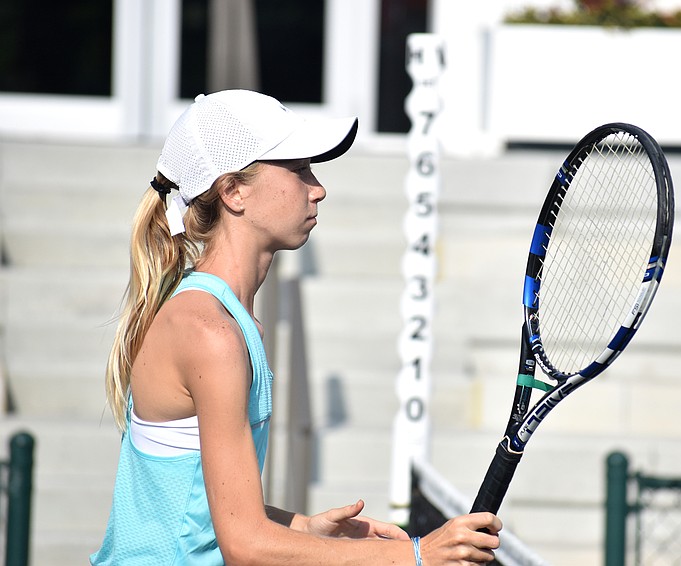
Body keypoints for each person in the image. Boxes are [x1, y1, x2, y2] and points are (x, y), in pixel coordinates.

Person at [91, 89, 502, 565]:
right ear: (234, 192)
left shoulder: (225, 322)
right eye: (298, 170)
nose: (318, 188)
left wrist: (305, 528)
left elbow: (194, 506)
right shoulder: (210, 334)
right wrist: (418, 554)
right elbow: (244, 545)